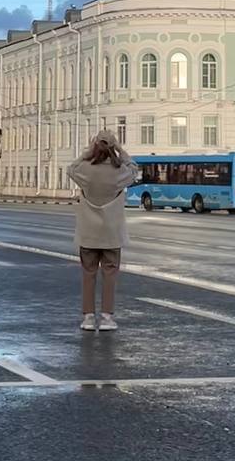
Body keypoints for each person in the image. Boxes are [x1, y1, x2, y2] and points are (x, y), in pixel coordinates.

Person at [67, 130, 141, 332]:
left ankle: (88, 317)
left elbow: (71, 168)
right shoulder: (119, 173)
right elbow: (134, 168)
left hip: (88, 233)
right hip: (111, 233)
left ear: (94, 147)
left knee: (88, 274)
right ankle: (107, 317)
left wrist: (87, 152)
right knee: (110, 275)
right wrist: (119, 148)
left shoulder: (85, 170)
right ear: (112, 149)